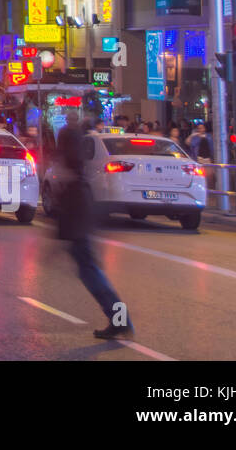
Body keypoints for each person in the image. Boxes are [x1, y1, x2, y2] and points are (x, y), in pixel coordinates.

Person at [56, 119, 135, 340]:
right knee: (92, 274)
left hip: (79, 223)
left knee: (93, 276)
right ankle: (120, 320)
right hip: (80, 222)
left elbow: (72, 196)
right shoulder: (75, 162)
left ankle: (120, 320)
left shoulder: (72, 165)